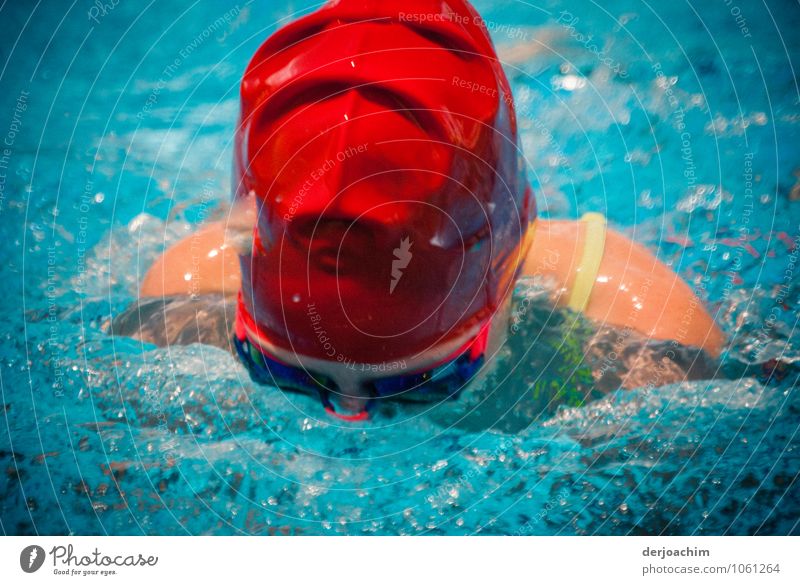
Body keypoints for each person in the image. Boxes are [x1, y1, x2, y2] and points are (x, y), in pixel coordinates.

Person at [114, 0, 724, 421]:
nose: (349, 418)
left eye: (416, 385)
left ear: (509, 275)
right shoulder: (186, 294)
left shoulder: (651, 337)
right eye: (289, 375)